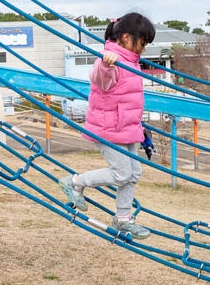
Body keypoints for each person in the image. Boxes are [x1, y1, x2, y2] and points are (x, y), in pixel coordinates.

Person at [60, 12, 155, 239]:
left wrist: (141, 129)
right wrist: (106, 65)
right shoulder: (109, 59)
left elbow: (129, 99)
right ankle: (75, 182)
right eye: (141, 42)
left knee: (133, 173)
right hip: (109, 129)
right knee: (121, 174)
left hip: (127, 128)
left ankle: (123, 219)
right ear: (125, 37)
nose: (143, 48)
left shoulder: (132, 61)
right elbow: (100, 80)